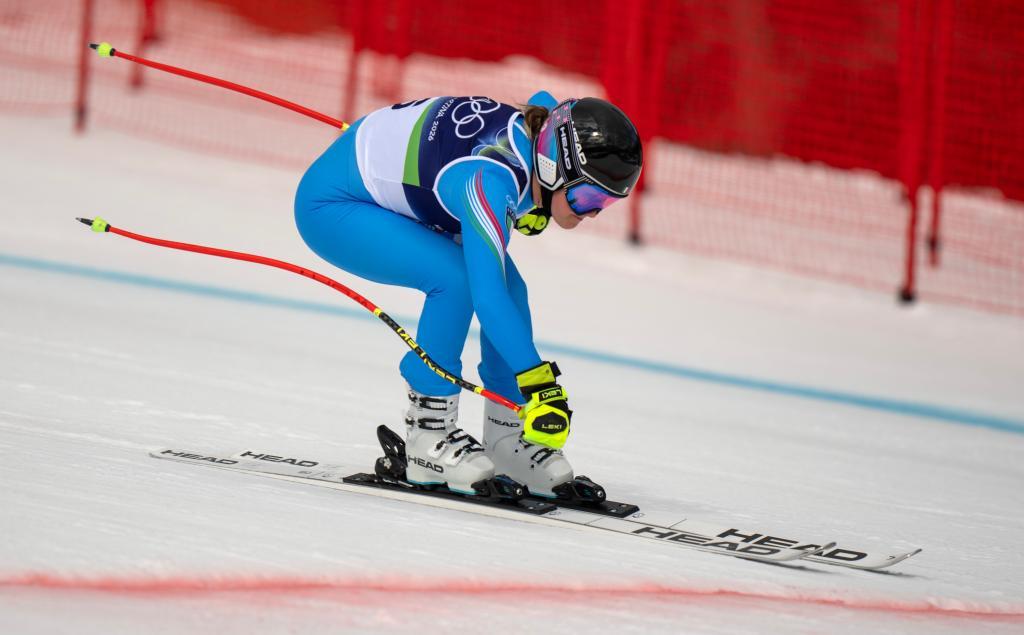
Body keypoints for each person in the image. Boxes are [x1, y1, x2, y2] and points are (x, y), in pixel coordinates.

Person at [294, 92, 642, 497]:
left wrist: (539, 204)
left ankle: (508, 438)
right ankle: (428, 435)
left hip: (391, 179)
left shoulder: (542, 136)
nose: (593, 212)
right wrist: (540, 384)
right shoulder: (489, 181)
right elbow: (487, 299)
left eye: (607, 201)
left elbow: (545, 102)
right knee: (458, 281)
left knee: (512, 286)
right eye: (588, 197)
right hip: (333, 206)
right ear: (549, 168)